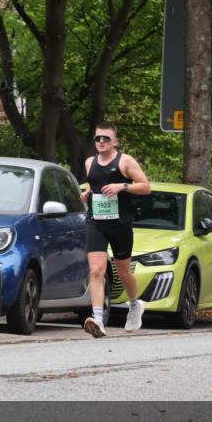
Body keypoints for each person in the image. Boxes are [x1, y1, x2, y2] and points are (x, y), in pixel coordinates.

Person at [79, 121, 152, 337]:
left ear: (115, 141)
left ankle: (134, 304)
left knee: (123, 271)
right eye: (98, 138)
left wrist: (123, 186)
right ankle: (98, 319)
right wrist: (86, 194)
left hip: (120, 224)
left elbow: (146, 187)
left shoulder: (125, 161)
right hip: (96, 222)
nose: (101, 142)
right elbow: (93, 187)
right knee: (96, 270)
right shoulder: (89, 162)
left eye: (106, 138)